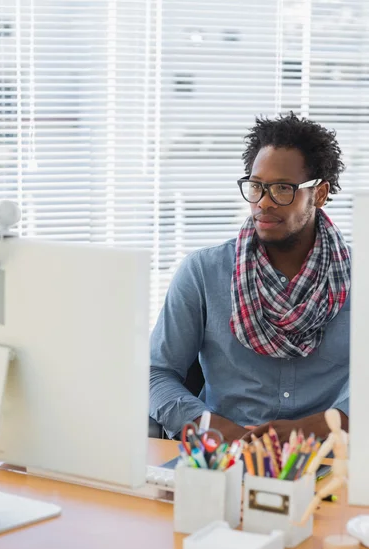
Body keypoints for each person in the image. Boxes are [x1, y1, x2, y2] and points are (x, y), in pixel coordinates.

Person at [149, 112, 350, 445]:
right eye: (257, 186)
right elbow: (156, 373)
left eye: (283, 188)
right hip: (224, 458)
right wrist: (209, 426)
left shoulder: (360, 280)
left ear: (319, 193)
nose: (264, 203)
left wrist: (321, 427)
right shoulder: (202, 272)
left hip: (330, 461)